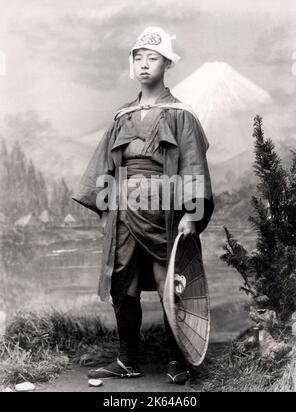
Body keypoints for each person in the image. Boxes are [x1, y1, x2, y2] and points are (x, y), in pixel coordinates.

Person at [72, 26, 214, 385]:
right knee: (123, 282)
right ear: (132, 65)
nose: (144, 64)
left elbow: (193, 163)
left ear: (167, 64)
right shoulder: (122, 116)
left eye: (152, 58)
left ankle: (177, 359)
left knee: (170, 285)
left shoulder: (181, 114)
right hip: (123, 212)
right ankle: (127, 359)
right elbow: (105, 166)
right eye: (139, 58)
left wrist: (191, 216)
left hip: (165, 213)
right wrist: (106, 210)